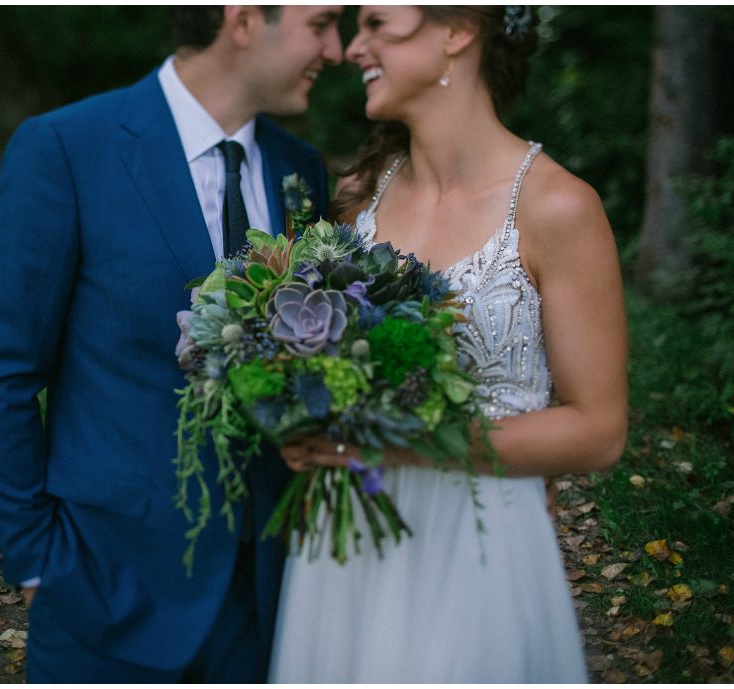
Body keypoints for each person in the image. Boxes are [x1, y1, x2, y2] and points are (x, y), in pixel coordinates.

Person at [0, 6, 342, 682]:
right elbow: (3, 372)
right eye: (322, 24)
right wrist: (35, 562)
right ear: (245, 18)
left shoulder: (301, 172)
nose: (336, 49)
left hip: (269, 598)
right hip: (105, 593)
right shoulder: (66, 148)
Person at [269, 5, 628, 683]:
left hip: (478, 546)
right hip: (343, 545)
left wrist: (392, 443)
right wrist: (299, 415)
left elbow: (599, 430)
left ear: (458, 32)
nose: (352, 48)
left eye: (376, 23)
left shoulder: (558, 208)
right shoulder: (354, 200)